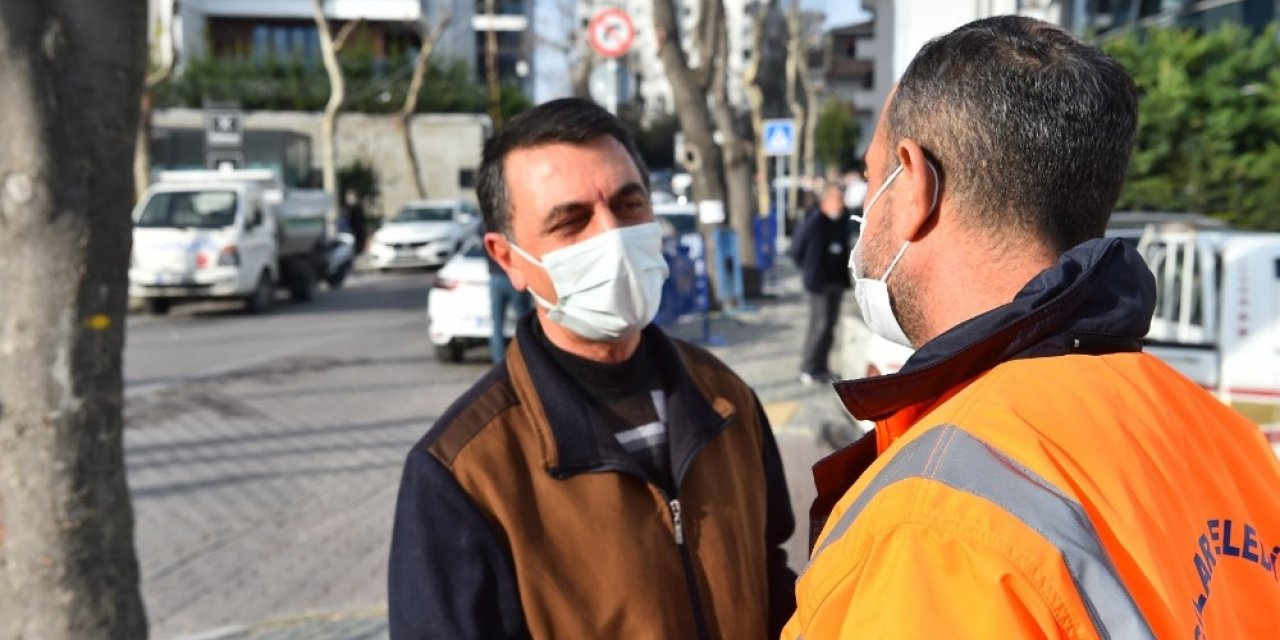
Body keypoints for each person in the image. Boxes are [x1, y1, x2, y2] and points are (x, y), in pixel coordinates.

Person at [785, 16, 1280, 639]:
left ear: (913, 184)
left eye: (872, 174)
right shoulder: (1219, 433)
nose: (866, 208)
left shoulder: (932, 527)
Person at [389, 98, 797, 639]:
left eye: (629, 206)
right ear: (507, 257)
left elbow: (769, 578)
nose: (611, 237)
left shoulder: (726, 400)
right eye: (571, 220)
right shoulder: (463, 474)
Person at [789, 184, 852, 385]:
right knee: (819, 325)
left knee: (830, 326)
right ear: (826, 202)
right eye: (837, 200)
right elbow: (796, 250)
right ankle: (808, 367)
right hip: (819, 284)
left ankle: (822, 366)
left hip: (837, 281)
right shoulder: (814, 222)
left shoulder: (843, 222)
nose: (841, 205)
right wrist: (810, 270)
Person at [485, 243, 532, 363]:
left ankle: (499, 361)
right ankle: (527, 358)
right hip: (513, 276)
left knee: (497, 324)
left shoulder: (484, 229)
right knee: (524, 322)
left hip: (495, 278)